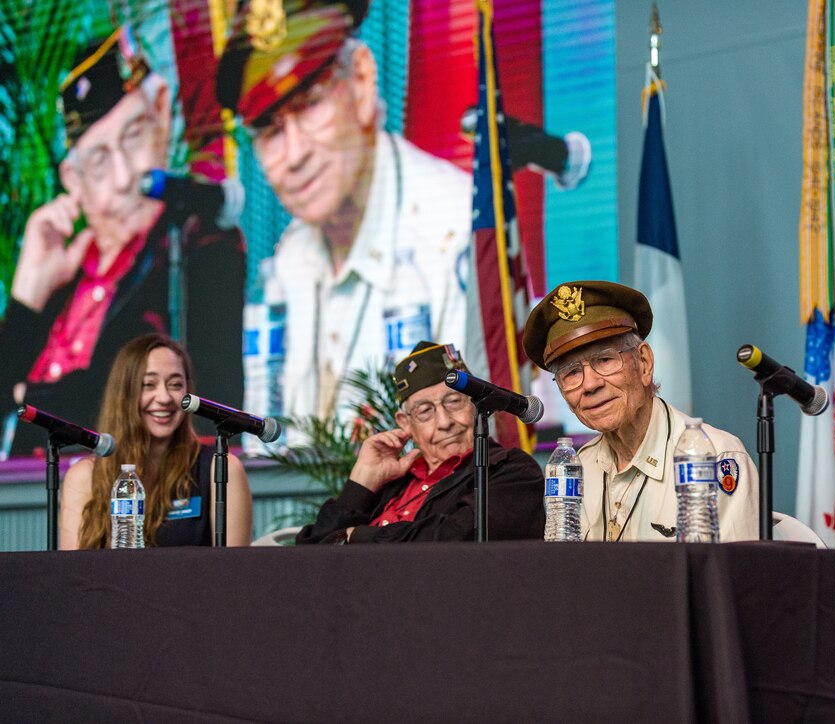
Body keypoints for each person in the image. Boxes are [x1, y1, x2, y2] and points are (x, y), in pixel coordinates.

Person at [215, 0, 470, 424]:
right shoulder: (288, 259)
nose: (294, 155)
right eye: (269, 130)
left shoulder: (456, 227)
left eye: (311, 104)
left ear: (363, 83)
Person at [0, 26, 245, 457]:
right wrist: (26, 299)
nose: (123, 178)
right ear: (72, 180)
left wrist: (29, 398)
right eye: (98, 160)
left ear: (162, 116)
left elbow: (143, 399)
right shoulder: (63, 272)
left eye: (133, 136)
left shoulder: (196, 246)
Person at [522, 281, 758, 542]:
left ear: (644, 363)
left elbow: (735, 579)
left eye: (605, 359)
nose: (589, 384)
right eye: (572, 373)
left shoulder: (713, 459)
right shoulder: (579, 468)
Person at [296, 341, 543, 543]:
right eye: (425, 411)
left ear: (474, 406)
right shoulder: (393, 483)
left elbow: (457, 536)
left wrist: (359, 536)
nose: (444, 421)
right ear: (405, 423)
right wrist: (362, 483)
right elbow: (310, 553)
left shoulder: (511, 470)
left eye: (454, 402)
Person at [59, 333, 252, 548]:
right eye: (149, 385)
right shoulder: (84, 476)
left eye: (175, 385)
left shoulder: (222, 469)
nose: (164, 398)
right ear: (123, 394)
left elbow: (234, 574)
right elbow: (73, 576)